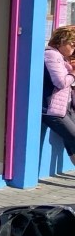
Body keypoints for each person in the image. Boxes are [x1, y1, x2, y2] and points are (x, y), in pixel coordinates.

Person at [43, 25, 75, 168]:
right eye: (72, 44)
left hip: (64, 107)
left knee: (71, 143)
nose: (74, 48)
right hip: (53, 110)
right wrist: (73, 74)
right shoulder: (52, 55)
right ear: (62, 40)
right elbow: (60, 82)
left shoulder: (61, 57)